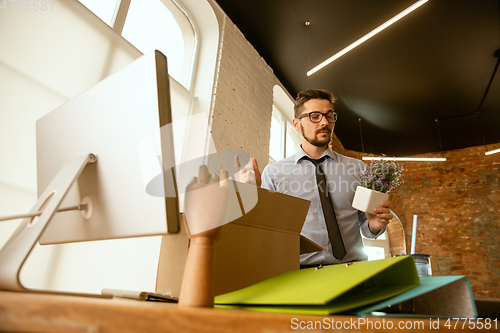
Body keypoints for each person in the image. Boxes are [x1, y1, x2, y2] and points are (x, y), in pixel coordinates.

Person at [241, 89, 393, 267]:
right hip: (300, 272)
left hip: (353, 269)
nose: (324, 122)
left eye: (329, 116)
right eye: (315, 116)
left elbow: (365, 226)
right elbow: (267, 230)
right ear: (296, 124)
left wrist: (374, 226)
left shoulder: (357, 169)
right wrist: (250, 196)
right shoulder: (274, 173)